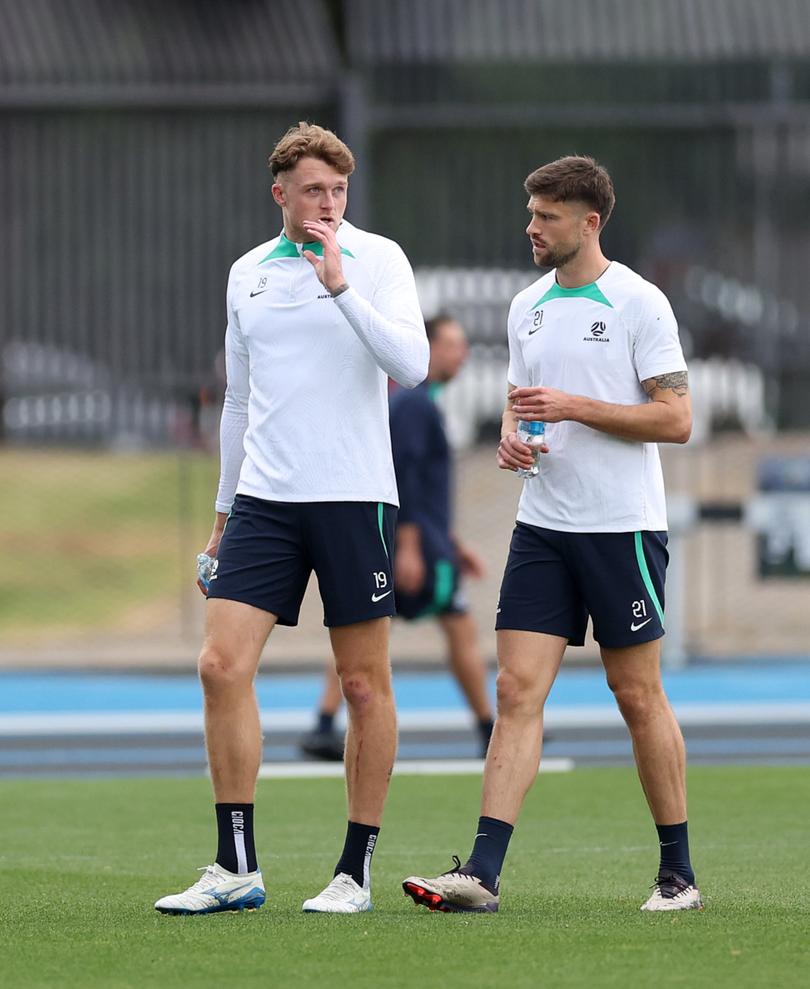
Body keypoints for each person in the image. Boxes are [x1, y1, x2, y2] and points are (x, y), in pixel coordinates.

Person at [402, 155, 702, 914]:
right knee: (514, 690)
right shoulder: (526, 305)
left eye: (545, 216)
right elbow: (522, 403)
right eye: (531, 213)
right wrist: (514, 435)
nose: (530, 227)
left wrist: (575, 407)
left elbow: (676, 418)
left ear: (588, 221)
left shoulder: (640, 303)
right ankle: (482, 873)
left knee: (636, 693)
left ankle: (678, 875)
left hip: (621, 528)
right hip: (542, 526)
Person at [154, 122, 428, 916]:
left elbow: (411, 366)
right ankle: (235, 865)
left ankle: (354, 871)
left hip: (353, 497)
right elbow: (238, 400)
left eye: (339, 191)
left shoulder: (378, 261)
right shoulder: (247, 273)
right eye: (314, 190)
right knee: (219, 665)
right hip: (265, 502)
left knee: (362, 685)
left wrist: (340, 283)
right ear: (281, 193)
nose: (328, 204)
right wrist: (220, 513)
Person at [299, 315, 494, 762]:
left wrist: (454, 542)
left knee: (366, 630)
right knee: (454, 628)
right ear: (426, 348)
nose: (461, 354)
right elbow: (402, 477)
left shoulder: (420, 401)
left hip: (426, 541)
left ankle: (325, 723)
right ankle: (489, 728)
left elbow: (424, 487)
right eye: (452, 345)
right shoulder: (414, 403)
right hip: (414, 548)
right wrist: (409, 548)